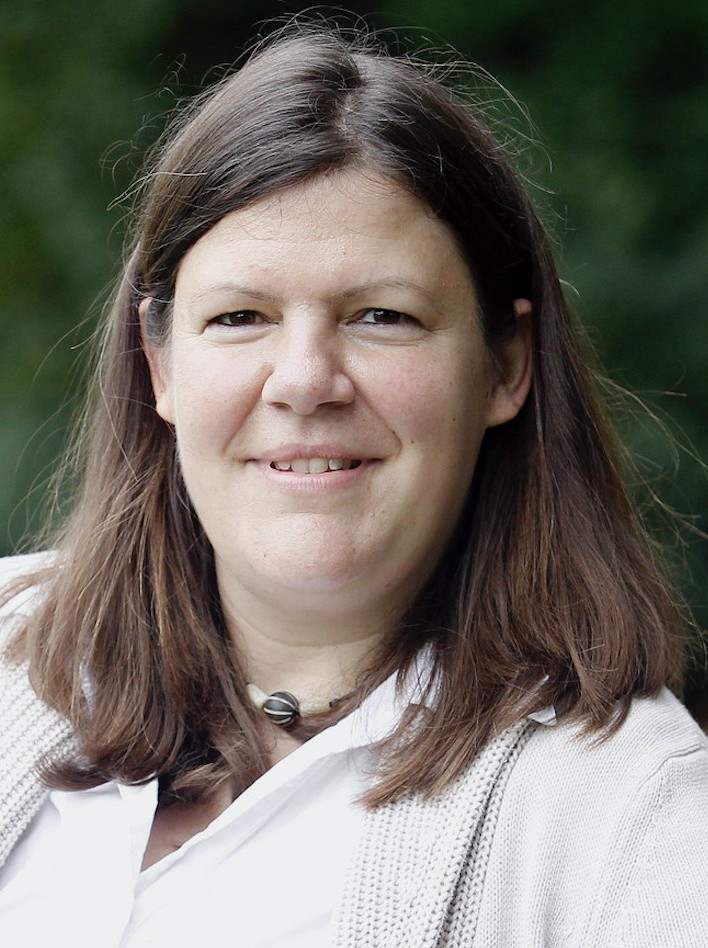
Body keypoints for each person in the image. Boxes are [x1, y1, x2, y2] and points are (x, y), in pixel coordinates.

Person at [1, 24, 707, 947]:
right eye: (240, 316)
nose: (304, 381)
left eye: (382, 315)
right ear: (161, 364)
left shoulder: (631, 813)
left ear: (505, 365)